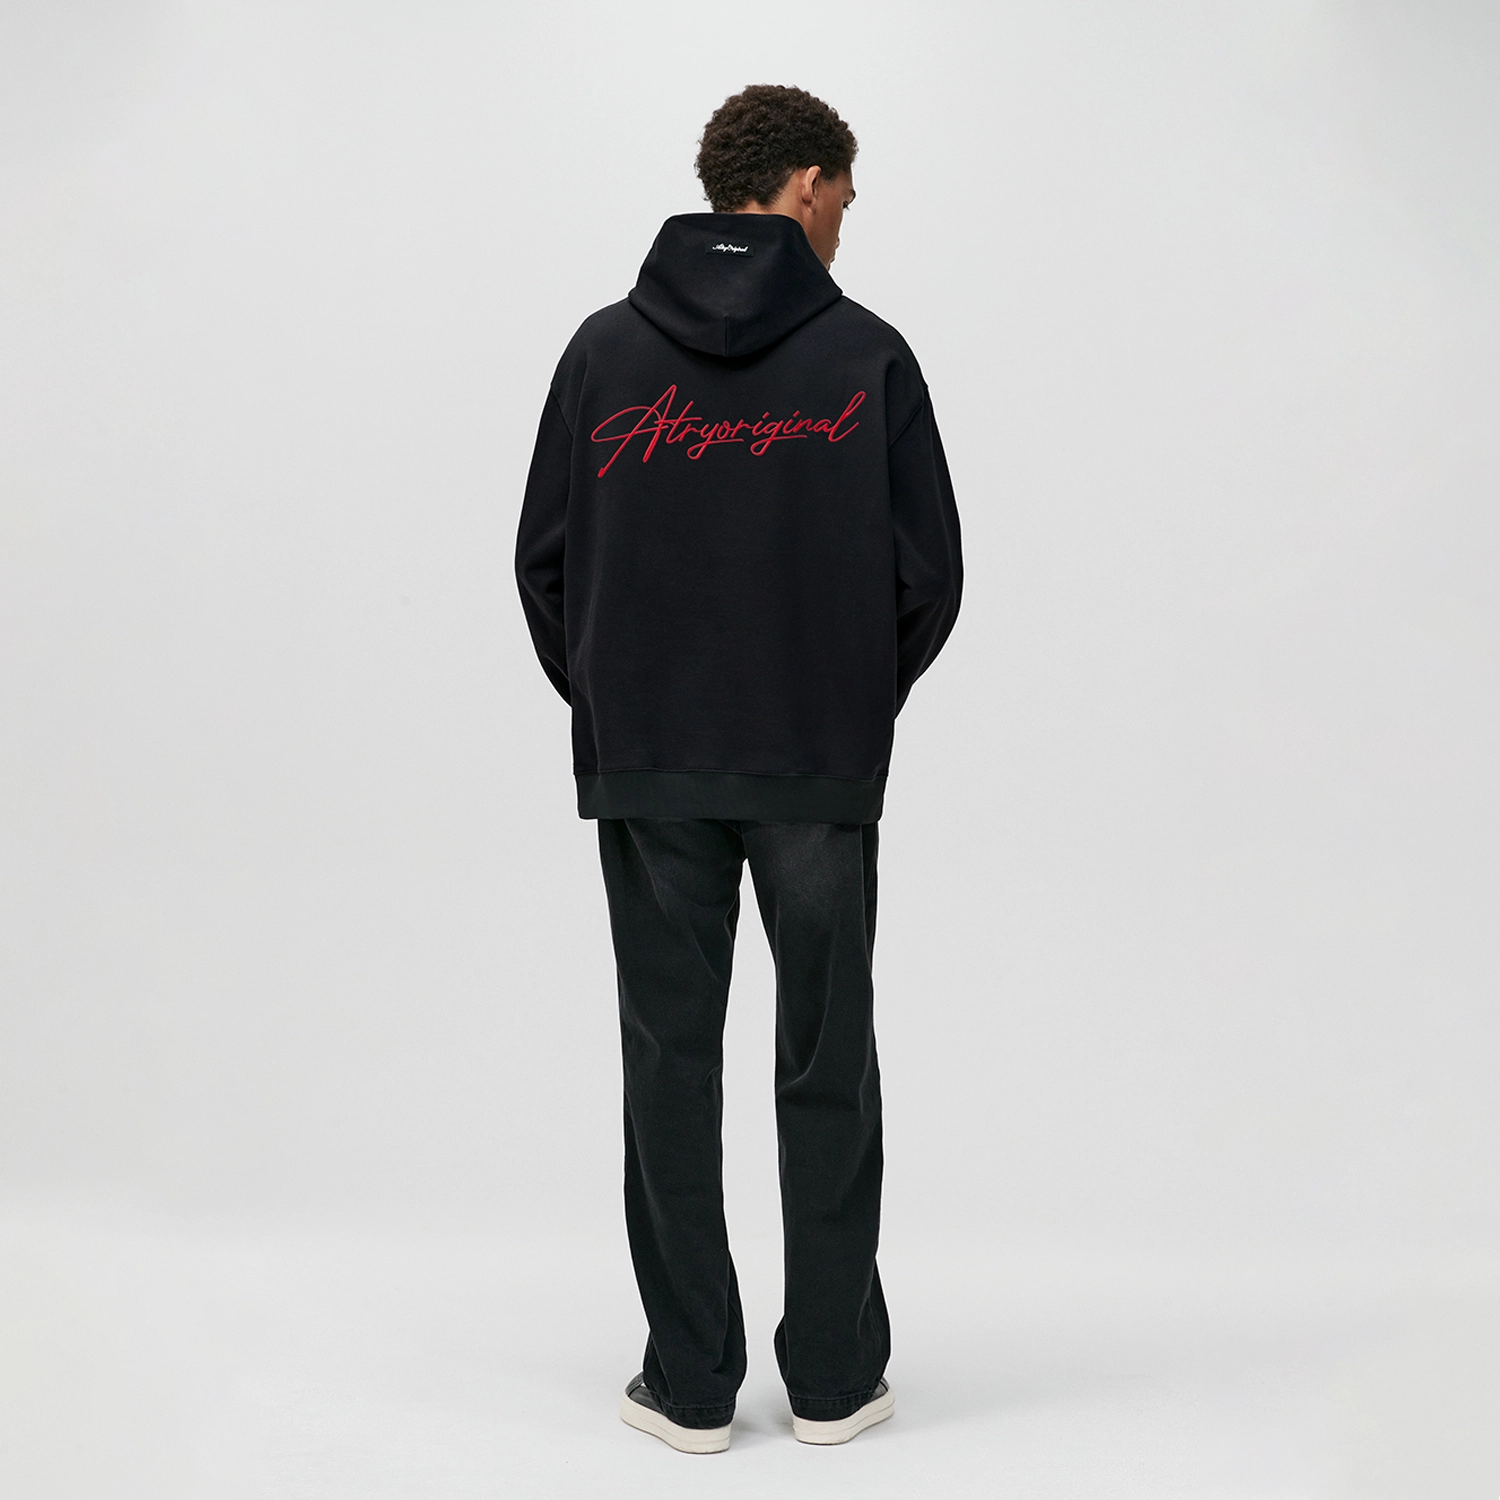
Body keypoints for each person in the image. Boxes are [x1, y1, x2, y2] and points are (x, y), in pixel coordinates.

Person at [514, 83, 962, 1453]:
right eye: (845, 198)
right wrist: (845, 699)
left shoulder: (602, 355)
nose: (845, 223)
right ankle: (831, 1378)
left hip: (650, 766)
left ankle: (691, 1384)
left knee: (668, 1058)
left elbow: (544, 564)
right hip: (817, 764)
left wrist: (620, 703)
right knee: (827, 1057)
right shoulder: (867, 356)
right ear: (806, 184)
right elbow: (930, 575)